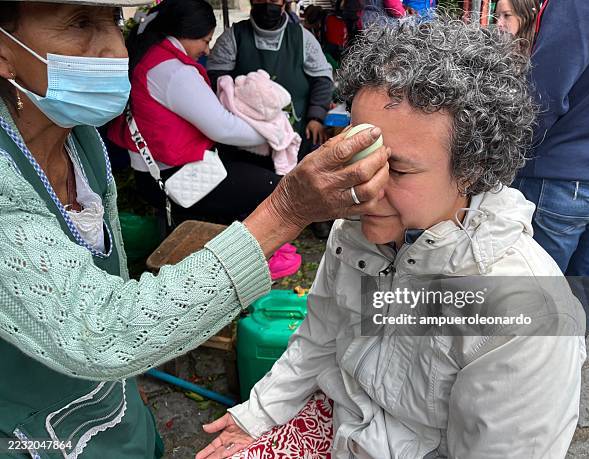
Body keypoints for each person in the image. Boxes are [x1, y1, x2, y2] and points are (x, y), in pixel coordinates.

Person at [0, 1, 390, 457]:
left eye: (111, 21)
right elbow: (103, 332)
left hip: (114, 412)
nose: (113, 49)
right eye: (81, 23)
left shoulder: (80, 139)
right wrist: (285, 208)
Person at [198, 18, 586, 459]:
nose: (362, 187)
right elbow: (320, 334)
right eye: (360, 158)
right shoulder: (358, 232)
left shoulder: (526, 316)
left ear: (473, 168)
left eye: (397, 169)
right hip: (340, 423)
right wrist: (260, 414)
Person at [108, 0, 283, 226]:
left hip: (157, 173)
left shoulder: (151, 57)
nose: (207, 50)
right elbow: (223, 128)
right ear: (188, 32)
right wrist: (273, 133)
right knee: (276, 187)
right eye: (206, 41)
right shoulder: (173, 71)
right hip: (176, 177)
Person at [512, 0, 589, 332]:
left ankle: (534, 375)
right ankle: (562, 370)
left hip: (562, 171)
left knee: (531, 298)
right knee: (584, 286)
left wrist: (508, 151)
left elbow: (545, 90)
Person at [207, 0, 334, 159]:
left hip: (295, 137)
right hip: (244, 140)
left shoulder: (303, 38)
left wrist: (316, 117)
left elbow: (322, 79)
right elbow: (216, 82)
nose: (267, 4)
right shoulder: (232, 37)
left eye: (273, 0)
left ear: (283, 3)